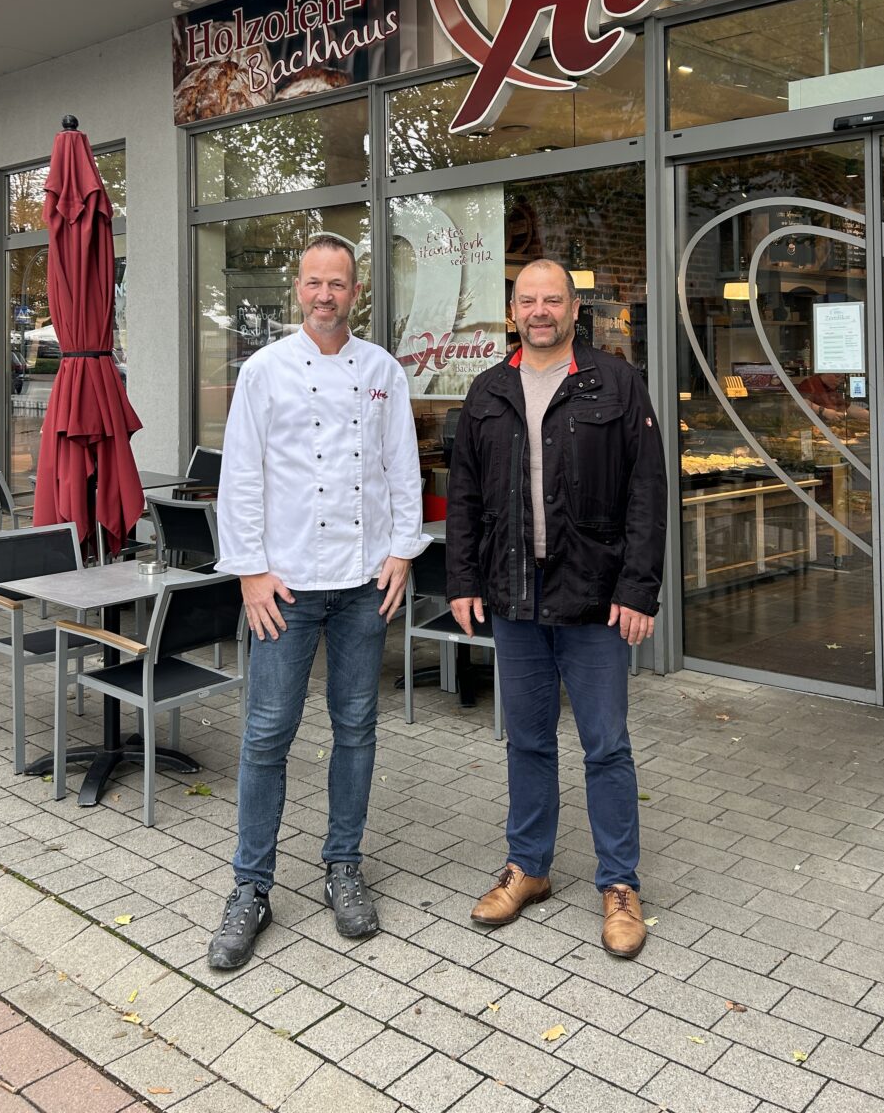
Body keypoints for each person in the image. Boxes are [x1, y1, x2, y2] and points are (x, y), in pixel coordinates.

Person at [207, 235, 428, 969]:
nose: (325, 295)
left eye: (338, 283)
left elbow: (403, 468)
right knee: (268, 733)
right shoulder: (263, 372)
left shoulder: (384, 372)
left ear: (355, 290)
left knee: (356, 729)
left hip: (364, 584)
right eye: (314, 283)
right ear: (296, 288)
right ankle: (251, 887)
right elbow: (240, 476)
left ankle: (343, 868)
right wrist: (249, 571)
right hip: (288, 585)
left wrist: (401, 551)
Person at [445, 258, 666, 959]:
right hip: (514, 595)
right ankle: (530, 866)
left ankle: (620, 884)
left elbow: (647, 492)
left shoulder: (616, 382)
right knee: (529, 739)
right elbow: (467, 502)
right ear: (513, 312)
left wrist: (638, 588)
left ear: (575, 309)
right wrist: (462, 581)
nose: (540, 310)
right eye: (527, 300)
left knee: (606, 745)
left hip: (595, 598)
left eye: (552, 300)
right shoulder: (486, 391)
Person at [796, 370, 868, 426]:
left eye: (842, 378)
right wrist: (824, 412)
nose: (840, 380)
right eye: (837, 376)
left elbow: (847, 408)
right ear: (826, 372)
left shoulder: (830, 389)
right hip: (812, 428)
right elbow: (798, 403)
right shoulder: (811, 383)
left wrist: (871, 417)